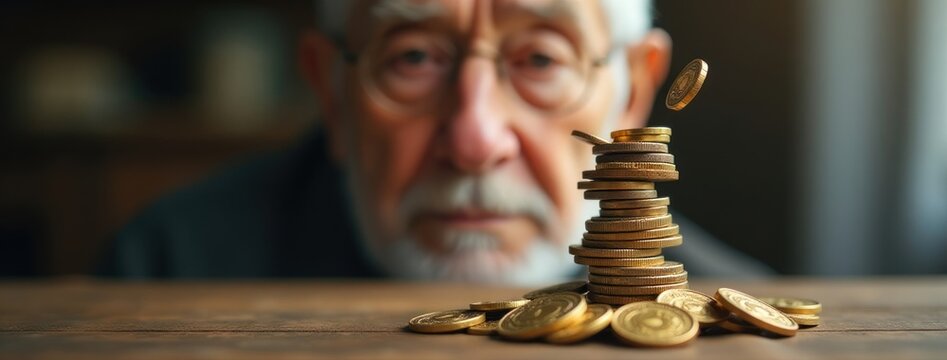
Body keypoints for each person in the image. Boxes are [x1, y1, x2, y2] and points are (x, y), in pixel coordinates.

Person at [98, 0, 772, 283]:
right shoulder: (158, 271)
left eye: (539, 61)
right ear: (331, 92)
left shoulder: (733, 323)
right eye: (413, 59)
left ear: (630, 93)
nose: (474, 141)